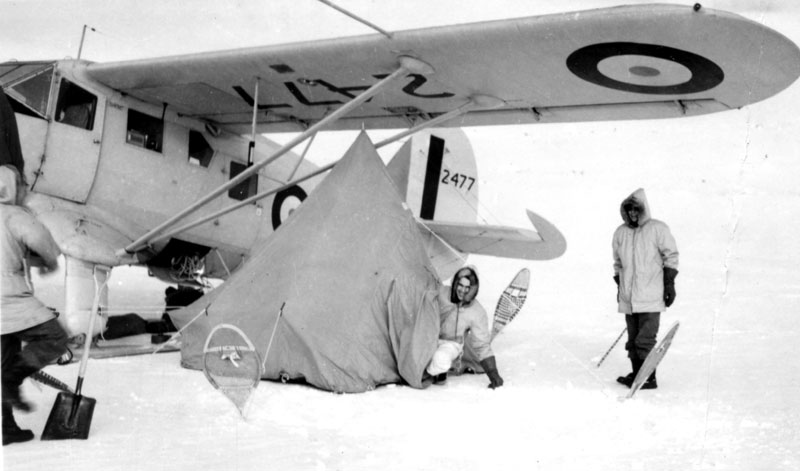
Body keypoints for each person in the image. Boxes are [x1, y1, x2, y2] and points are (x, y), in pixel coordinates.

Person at [1, 165, 69, 445]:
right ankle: (12, 378)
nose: (25, 190)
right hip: (8, 297)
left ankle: (7, 428)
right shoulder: (13, 215)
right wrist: (50, 260)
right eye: (21, 185)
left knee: (2, 360)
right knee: (55, 338)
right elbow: (43, 241)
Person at [612, 188, 679, 390]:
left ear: (643, 209)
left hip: (650, 295)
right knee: (633, 340)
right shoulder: (620, 233)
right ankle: (637, 374)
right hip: (629, 298)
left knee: (645, 339)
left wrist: (669, 284)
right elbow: (618, 263)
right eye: (629, 209)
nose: (633, 213)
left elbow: (671, 256)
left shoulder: (657, 229)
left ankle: (649, 378)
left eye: (636, 209)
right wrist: (620, 285)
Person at [425, 266, 503, 389]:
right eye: (461, 285)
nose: (463, 290)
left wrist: (493, 374)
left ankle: (431, 373)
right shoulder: (441, 293)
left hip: (451, 344)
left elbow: (482, 344)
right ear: (455, 283)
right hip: (428, 337)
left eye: (468, 288)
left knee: (441, 359)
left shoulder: (476, 311)